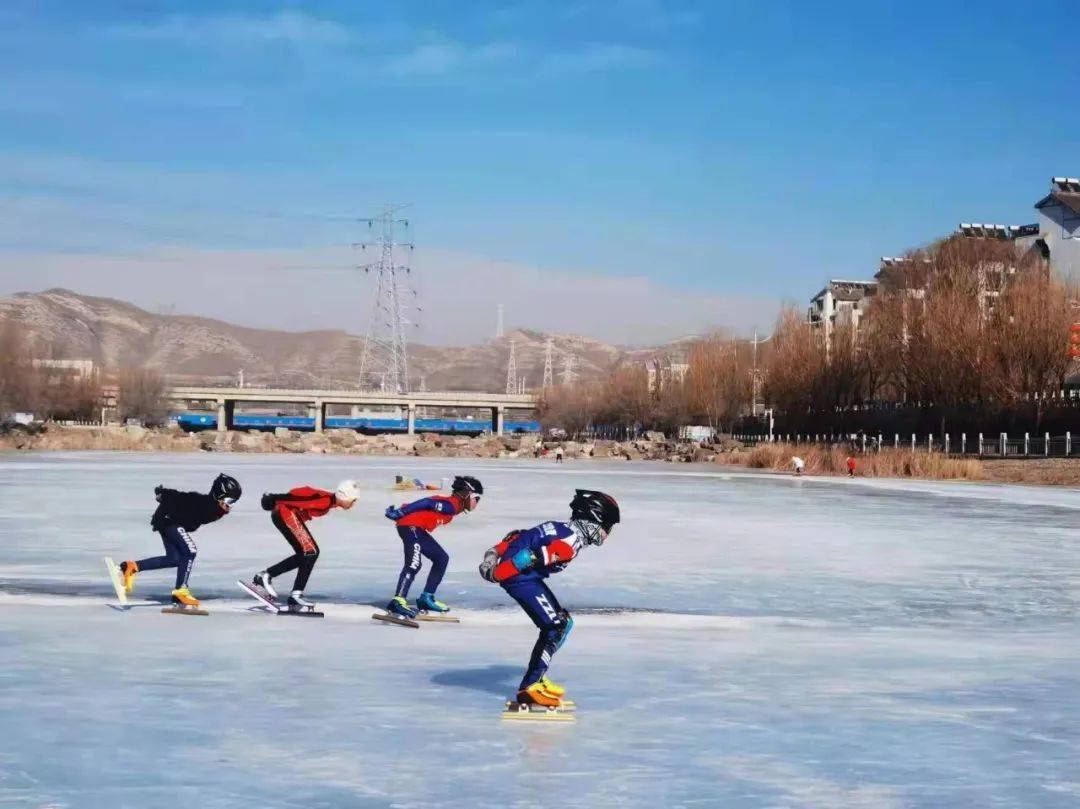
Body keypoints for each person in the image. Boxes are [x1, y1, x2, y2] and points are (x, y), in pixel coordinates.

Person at [478, 489, 620, 708]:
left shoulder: (562, 529)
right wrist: (496, 572)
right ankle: (529, 686)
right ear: (594, 521)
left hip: (526, 578)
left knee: (564, 622)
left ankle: (538, 676)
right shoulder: (568, 544)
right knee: (555, 627)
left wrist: (494, 554)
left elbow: (517, 537)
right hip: (519, 579)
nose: (607, 535)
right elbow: (520, 560)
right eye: (607, 527)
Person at [118, 473, 241, 609]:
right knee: (190, 551)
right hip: (169, 520)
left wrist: (163, 495)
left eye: (234, 503)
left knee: (175, 559)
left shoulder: (212, 507)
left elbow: (187, 497)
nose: (231, 506)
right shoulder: (206, 505)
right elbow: (183, 497)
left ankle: (131, 566)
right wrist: (164, 494)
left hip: (168, 520)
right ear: (219, 495)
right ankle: (181, 591)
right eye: (230, 501)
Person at [251, 480, 361, 610]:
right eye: (353, 500)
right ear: (345, 497)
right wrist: (274, 498)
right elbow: (299, 496)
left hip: (284, 514)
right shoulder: (324, 500)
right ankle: (294, 594)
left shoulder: (329, 501)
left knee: (306, 555)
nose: (354, 503)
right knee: (311, 552)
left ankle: (267, 576)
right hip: (284, 513)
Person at [383, 475, 483, 618]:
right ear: (466, 494)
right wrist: (401, 512)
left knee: (441, 558)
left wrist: (402, 511)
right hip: (410, 526)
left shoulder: (455, 505)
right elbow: (427, 503)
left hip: (418, 529)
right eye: (476, 498)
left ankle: (426, 598)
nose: (477, 503)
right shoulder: (451, 505)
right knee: (414, 564)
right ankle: (397, 601)